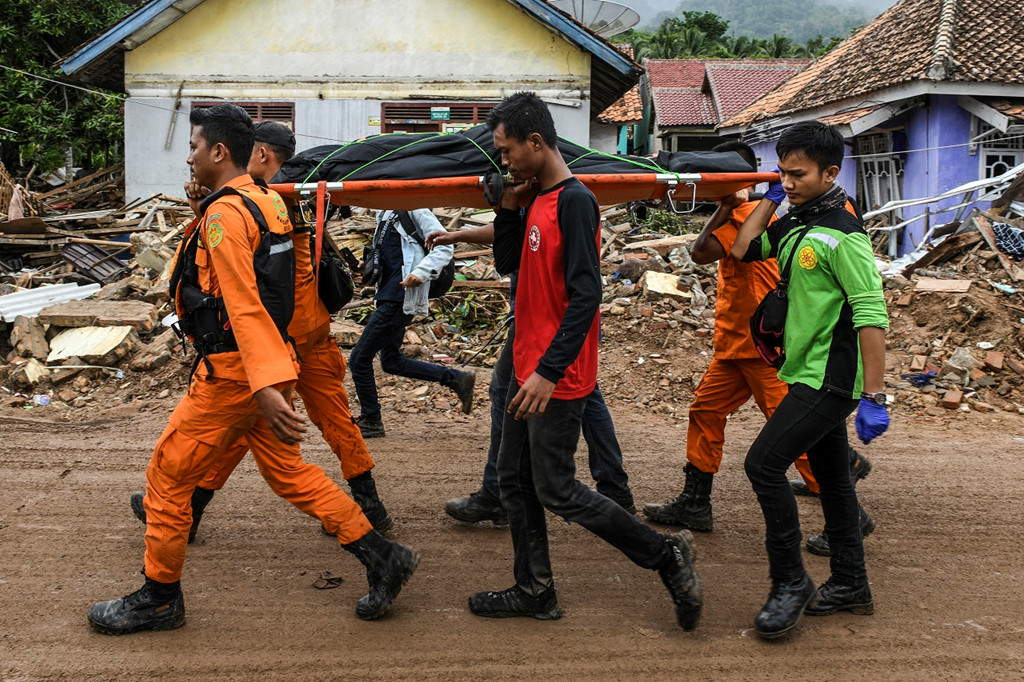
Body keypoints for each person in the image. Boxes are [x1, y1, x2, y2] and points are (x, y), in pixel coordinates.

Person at [88, 105, 417, 635]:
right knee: (289, 472)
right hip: (272, 363)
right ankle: (383, 557)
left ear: (219, 152)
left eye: (194, 146)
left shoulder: (226, 215)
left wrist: (263, 383)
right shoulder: (264, 201)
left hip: (236, 374)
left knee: (167, 479)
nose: (189, 156)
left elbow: (243, 303)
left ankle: (159, 598)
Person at [467, 92, 702, 631]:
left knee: (555, 488)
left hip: (556, 373)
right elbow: (510, 265)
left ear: (535, 142)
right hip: (527, 364)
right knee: (513, 479)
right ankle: (534, 590)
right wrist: (506, 206)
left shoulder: (574, 201)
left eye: (506, 151)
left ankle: (666, 556)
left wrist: (549, 372)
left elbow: (586, 294)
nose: (502, 160)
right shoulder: (535, 200)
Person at [128, 121, 392, 541]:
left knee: (238, 436)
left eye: (249, 150)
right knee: (334, 423)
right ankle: (369, 507)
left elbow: (237, 274)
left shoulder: (262, 200)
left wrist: (208, 208)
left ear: (263, 155)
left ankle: (188, 511)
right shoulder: (288, 198)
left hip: (275, 342)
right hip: (313, 331)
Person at [643, 141, 874, 548]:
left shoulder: (747, 213)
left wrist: (730, 204)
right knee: (706, 410)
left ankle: (850, 517)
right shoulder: (753, 212)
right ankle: (696, 500)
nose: (788, 182)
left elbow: (701, 253)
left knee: (798, 439)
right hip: (735, 346)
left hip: (762, 348)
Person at [729, 121, 890, 639]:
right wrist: (771, 198)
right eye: (783, 173)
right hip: (803, 370)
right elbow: (741, 248)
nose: (790, 182)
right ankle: (850, 583)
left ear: (831, 172)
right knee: (835, 479)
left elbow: (871, 313)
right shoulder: (796, 223)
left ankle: (791, 581)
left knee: (763, 464)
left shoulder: (844, 235)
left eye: (798, 174)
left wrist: (875, 395)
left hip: (832, 380)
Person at [426, 224, 635, 523]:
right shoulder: (546, 198)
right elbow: (510, 230)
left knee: (510, 392)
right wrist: (459, 235)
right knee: (585, 395)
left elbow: (583, 286)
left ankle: (500, 493)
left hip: (545, 320)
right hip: (544, 318)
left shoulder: (553, 197)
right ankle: (614, 492)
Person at [349, 208, 476, 438]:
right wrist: (365, 266)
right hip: (388, 296)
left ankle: (371, 419)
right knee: (391, 361)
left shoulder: (415, 209)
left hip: (398, 299)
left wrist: (422, 272)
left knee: (359, 359)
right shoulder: (384, 214)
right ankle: (456, 378)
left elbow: (445, 246)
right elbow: (390, 256)